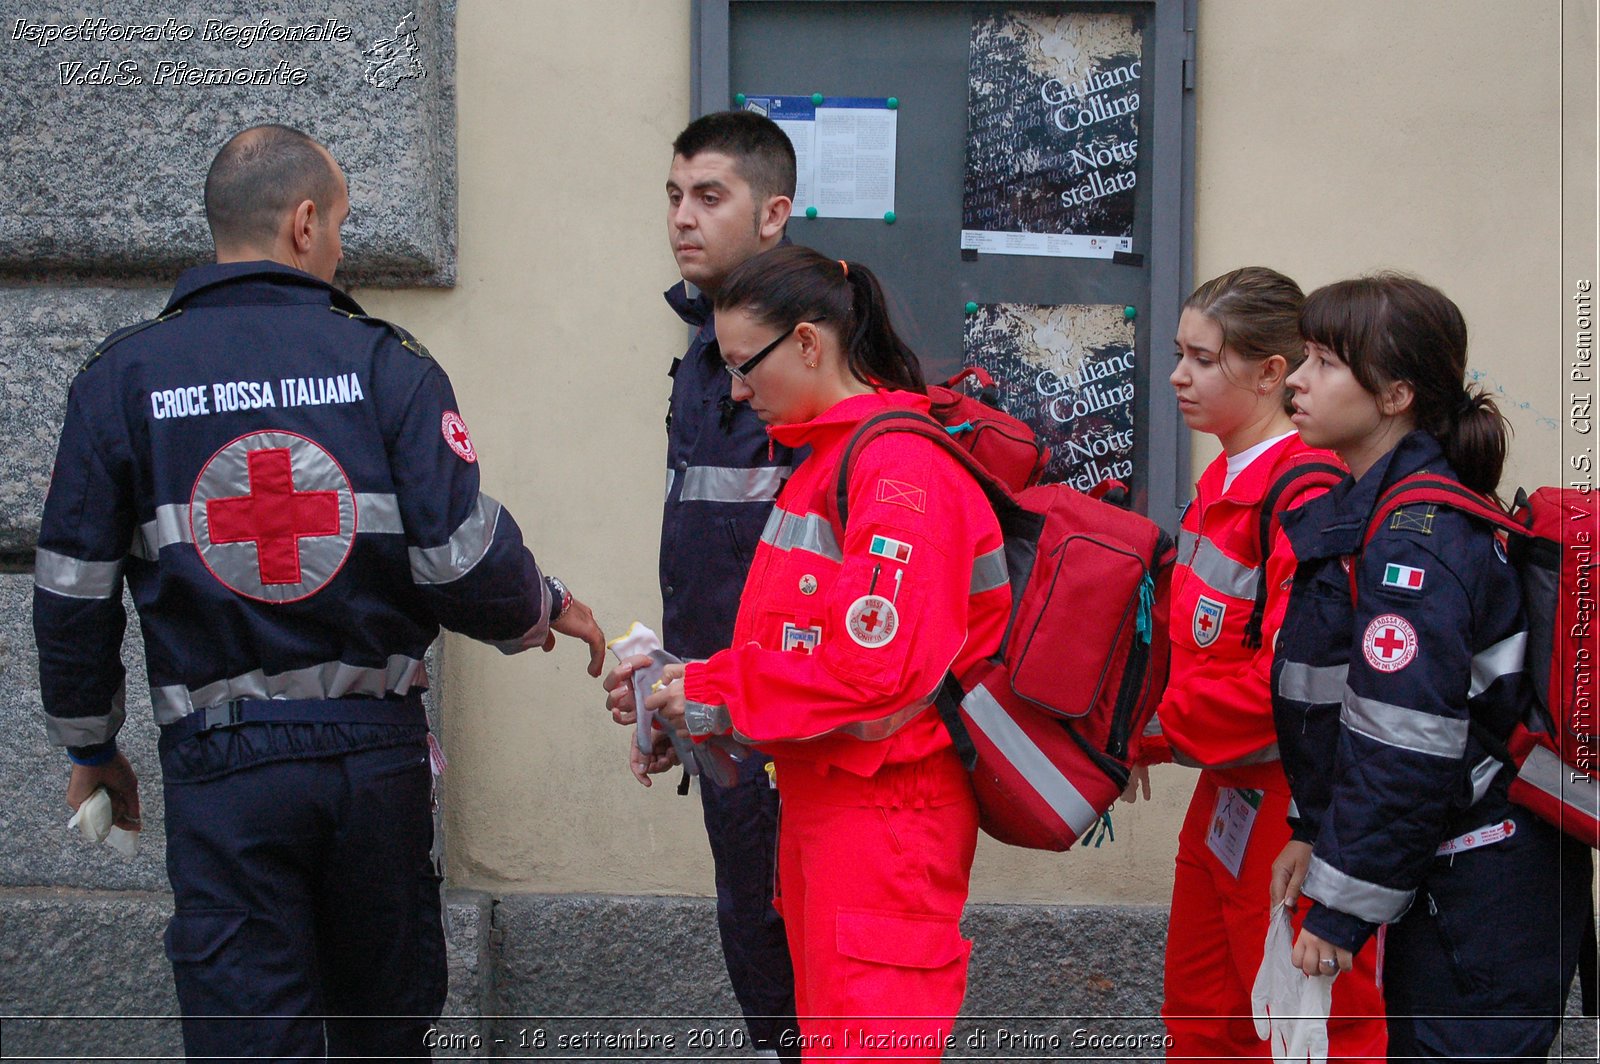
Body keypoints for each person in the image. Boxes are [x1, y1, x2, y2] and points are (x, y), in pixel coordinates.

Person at [31, 124, 606, 1060]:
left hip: (224, 774)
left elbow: (71, 596)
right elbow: (461, 559)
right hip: (371, 767)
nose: (341, 242)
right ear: (304, 224)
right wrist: (542, 605)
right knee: (383, 1030)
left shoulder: (120, 380)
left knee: (251, 1035)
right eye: (340, 220)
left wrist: (92, 744)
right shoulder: (388, 365)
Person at [643, 245, 1010, 1060]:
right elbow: (802, 654)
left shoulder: (893, 467)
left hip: (884, 820)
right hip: (834, 808)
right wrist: (692, 703)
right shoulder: (832, 463)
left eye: (744, 366)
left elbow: (872, 670)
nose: (735, 391)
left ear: (808, 344)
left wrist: (709, 688)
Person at [1270, 274, 1592, 1060]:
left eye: (1324, 361)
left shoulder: (1416, 540)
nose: (1298, 380)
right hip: (1467, 881)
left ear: (1396, 395)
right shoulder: (1383, 510)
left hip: (1487, 895)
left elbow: (1404, 745)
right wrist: (1314, 830)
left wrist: (1342, 913)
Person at [1134, 268, 1386, 1060]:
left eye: (1204, 359)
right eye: (1180, 353)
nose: (1178, 375)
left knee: (1309, 1029)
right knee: (1206, 1017)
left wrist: (1152, 724)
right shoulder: (1227, 478)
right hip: (1227, 792)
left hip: (1289, 799)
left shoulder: (1301, 493)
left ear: (1272, 372)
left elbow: (1291, 679)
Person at [603, 110, 801, 1058]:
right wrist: (668, 685)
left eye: (709, 197)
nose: (683, 217)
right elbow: (716, 542)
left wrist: (731, 689)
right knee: (751, 925)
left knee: (791, 929)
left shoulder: (810, 349)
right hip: (720, 705)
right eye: (674, 196)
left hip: (793, 722)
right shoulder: (701, 350)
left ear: (774, 215)